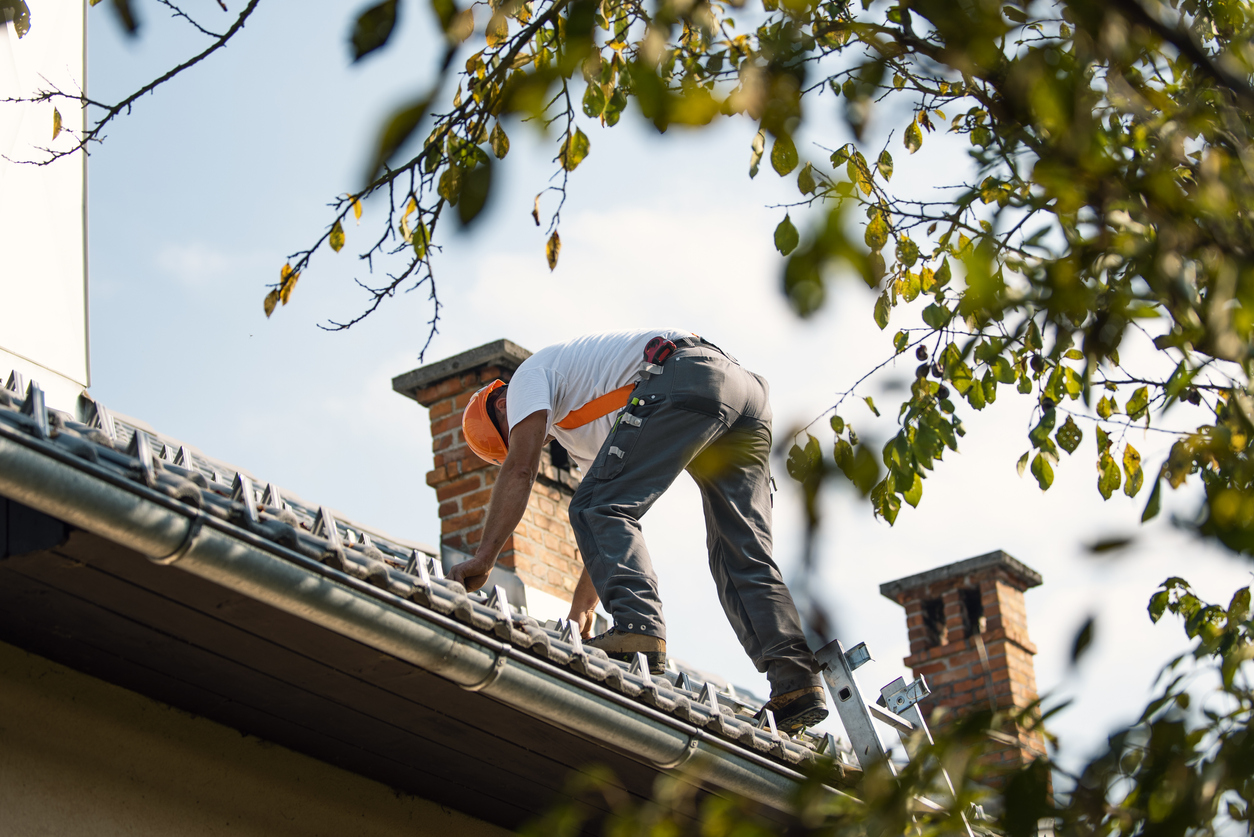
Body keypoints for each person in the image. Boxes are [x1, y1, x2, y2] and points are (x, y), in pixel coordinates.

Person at [448, 329, 828, 733]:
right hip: (743, 395)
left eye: (511, 432)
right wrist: (582, 610)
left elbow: (523, 472)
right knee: (739, 553)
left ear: (501, 404)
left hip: (685, 374)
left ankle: (639, 628)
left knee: (595, 505)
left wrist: (484, 558)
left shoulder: (526, 378)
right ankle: (796, 681)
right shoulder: (582, 426)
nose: (525, 438)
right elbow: (607, 523)